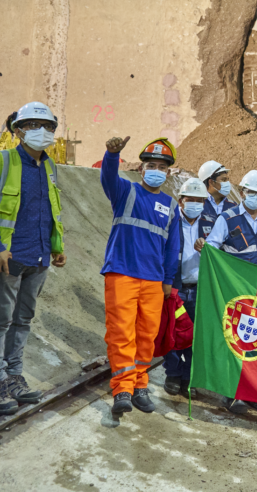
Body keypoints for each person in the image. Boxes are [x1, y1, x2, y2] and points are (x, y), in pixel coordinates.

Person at [0, 102, 65, 417]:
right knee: (0, 320)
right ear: (18, 130)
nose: (43, 132)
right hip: (7, 257)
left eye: (49, 126)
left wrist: (56, 245)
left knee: (23, 320)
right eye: (34, 125)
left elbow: (51, 209)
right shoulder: (0, 161)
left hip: (38, 256)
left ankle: (13, 377)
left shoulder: (50, 167)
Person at [101, 136, 181, 415]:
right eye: (151, 164)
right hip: (122, 272)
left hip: (154, 280)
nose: (156, 169)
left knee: (146, 335)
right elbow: (108, 178)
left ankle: (140, 384)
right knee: (121, 331)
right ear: (141, 168)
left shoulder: (171, 207)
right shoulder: (126, 191)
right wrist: (112, 155)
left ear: (168, 172)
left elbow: (173, 248)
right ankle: (122, 388)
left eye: (161, 166)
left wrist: (168, 282)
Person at [201, 169, 257, 413]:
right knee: (234, 338)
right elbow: (213, 247)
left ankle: (253, 391)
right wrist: (206, 251)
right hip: (234, 287)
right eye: (253, 193)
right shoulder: (228, 218)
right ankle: (232, 392)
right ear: (243, 193)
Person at [163, 178, 207, 398]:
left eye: (200, 201)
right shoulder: (170, 222)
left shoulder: (210, 224)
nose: (196, 204)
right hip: (176, 287)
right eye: (191, 200)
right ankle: (173, 373)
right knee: (171, 332)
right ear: (181, 201)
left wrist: (208, 248)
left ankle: (189, 377)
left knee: (194, 335)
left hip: (199, 288)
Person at [196, 161, 236, 240]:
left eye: (227, 179)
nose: (228, 183)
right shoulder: (197, 205)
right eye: (223, 180)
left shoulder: (233, 206)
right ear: (211, 182)